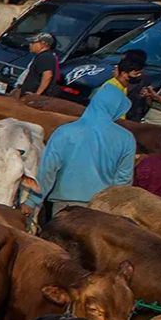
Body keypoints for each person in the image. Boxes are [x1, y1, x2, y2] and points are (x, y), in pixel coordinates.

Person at [33, 81, 134, 220]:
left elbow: (47, 170)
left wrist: (32, 201)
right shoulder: (126, 138)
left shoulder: (65, 131)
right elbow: (123, 181)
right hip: (101, 207)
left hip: (64, 202)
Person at [16, 32, 60, 97]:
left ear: (43, 44)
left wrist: (37, 94)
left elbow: (47, 76)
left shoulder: (45, 57)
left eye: (33, 43)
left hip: (33, 98)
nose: (30, 45)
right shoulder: (42, 56)